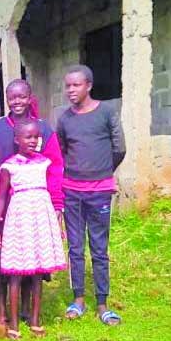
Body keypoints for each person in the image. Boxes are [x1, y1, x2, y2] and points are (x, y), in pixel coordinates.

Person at [0, 79, 64, 327]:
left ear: (30, 97)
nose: (17, 101)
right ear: (7, 99)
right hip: (4, 204)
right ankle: (2, 310)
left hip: (36, 206)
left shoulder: (43, 130)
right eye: (12, 97)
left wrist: (57, 204)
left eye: (22, 97)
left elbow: (54, 169)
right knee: (1, 255)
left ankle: (27, 309)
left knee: (31, 253)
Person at [56, 64, 126, 326]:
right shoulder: (65, 119)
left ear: (89, 86)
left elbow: (119, 148)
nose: (71, 90)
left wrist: (103, 172)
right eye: (68, 85)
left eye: (76, 85)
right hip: (72, 192)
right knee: (75, 247)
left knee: (99, 248)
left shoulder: (106, 112)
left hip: (99, 193)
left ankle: (102, 304)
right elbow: (61, 151)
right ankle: (78, 300)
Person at [0, 120, 67, 338]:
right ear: (17, 140)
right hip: (19, 220)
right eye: (28, 137)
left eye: (36, 137)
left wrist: (57, 219)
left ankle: (35, 320)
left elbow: (53, 190)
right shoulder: (9, 167)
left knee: (37, 272)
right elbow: (1, 197)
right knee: (15, 273)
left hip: (41, 218)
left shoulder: (44, 163)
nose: (33, 141)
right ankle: (14, 324)